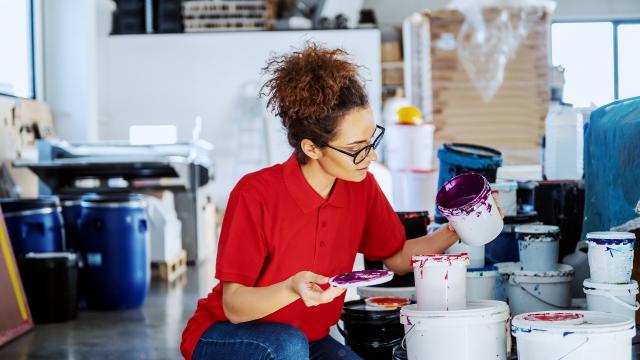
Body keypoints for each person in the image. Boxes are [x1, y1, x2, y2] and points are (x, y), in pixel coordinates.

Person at [181, 43, 488, 360]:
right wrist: (291, 288)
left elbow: (396, 257)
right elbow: (234, 306)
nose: (371, 156)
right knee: (287, 346)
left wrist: (456, 227)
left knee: (296, 346)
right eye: (357, 147)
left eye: (371, 140)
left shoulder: (361, 186)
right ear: (312, 148)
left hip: (308, 342)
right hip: (226, 336)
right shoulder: (255, 194)